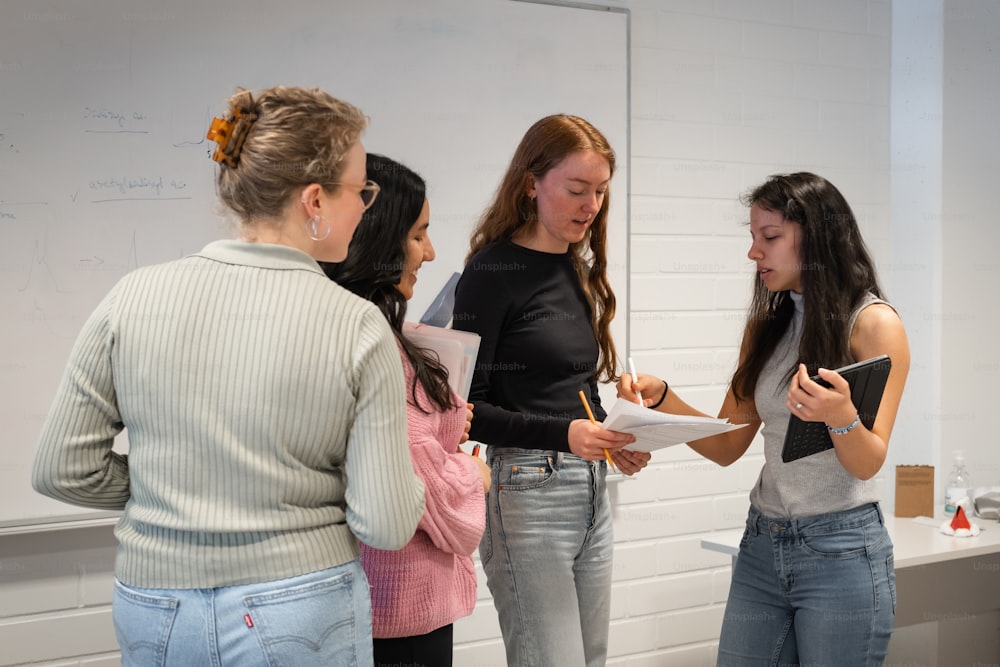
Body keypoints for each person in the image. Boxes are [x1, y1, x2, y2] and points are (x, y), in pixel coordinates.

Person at [31, 86, 426, 666]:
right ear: (314, 200)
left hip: (154, 602)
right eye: (361, 191)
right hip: (298, 599)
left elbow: (62, 469)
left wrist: (173, 492)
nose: (366, 207)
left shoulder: (131, 296)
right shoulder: (356, 324)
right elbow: (388, 523)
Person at [618, 172, 910, 666]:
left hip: (841, 549)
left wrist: (839, 415)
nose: (754, 252)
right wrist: (663, 397)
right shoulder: (766, 325)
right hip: (761, 545)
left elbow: (867, 463)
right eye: (753, 237)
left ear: (815, 236)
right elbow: (728, 445)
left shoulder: (874, 323)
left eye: (769, 237)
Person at [451, 113, 651, 667]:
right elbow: (465, 412)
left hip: (590, 488)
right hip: (527, 493)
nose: (591, 205)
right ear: (531, 183)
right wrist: (566, 435)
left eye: (601, 192)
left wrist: (615, 436)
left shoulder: (575, 266)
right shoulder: (492, 272)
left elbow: (574, 393)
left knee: (590, 661)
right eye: (577, 190)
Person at [322, 153, 490, 667]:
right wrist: (472, 473)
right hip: (397, 607)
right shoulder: (374, 345)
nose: (430, 252)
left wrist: (442, 420)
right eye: (418, 235)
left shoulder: (331, 327)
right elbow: (419, 491)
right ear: (379, 237)